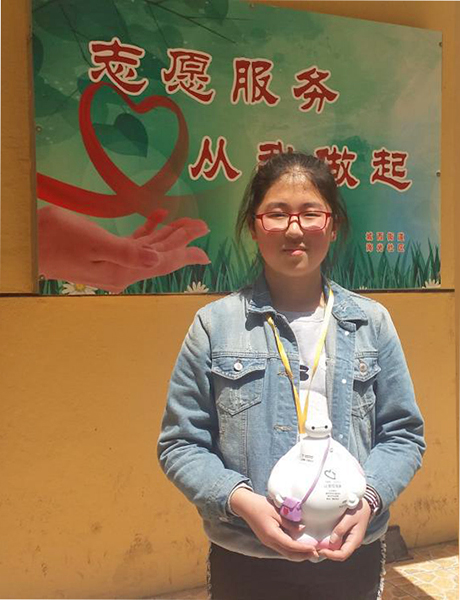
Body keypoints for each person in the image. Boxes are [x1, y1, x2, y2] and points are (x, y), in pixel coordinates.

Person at [157, 152, 425, 600]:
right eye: (277, 214)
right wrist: (242, 501)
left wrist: (369, 499)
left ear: (333, 226)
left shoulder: (371, 323)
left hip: (349, 553)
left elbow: (403, 435)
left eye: (311, 213)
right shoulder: (215, 326)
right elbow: (180, 443)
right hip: (247, 554)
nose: (294, 229)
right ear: (254, 225)